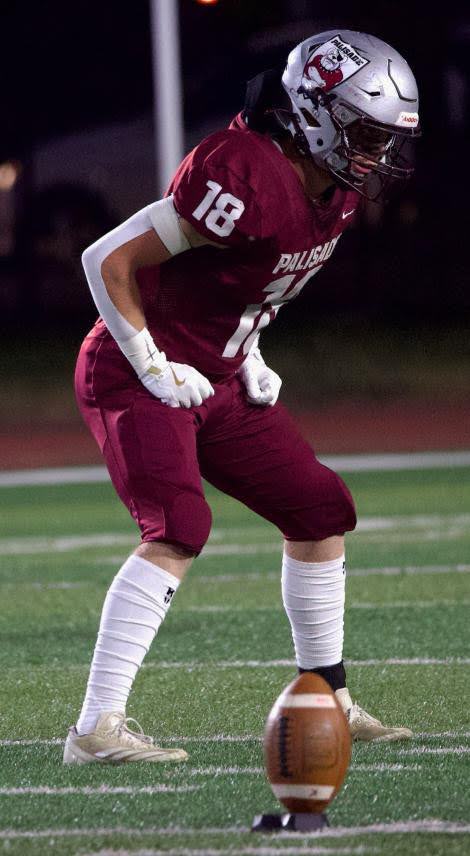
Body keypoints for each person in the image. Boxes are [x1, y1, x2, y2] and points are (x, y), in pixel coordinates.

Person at [64, 30, 420, 764]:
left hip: (216, 375)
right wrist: (152, 363)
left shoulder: (336, 192)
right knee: (179, 523)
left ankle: (327, 700)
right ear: (315, 114)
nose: (374, 154)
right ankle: (96, 729)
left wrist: (250, 350)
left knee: (320, 507)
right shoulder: (242, 173)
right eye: (364, 132)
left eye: (384, 138)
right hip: (138, 368)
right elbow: (107, 259)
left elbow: (251, 281)